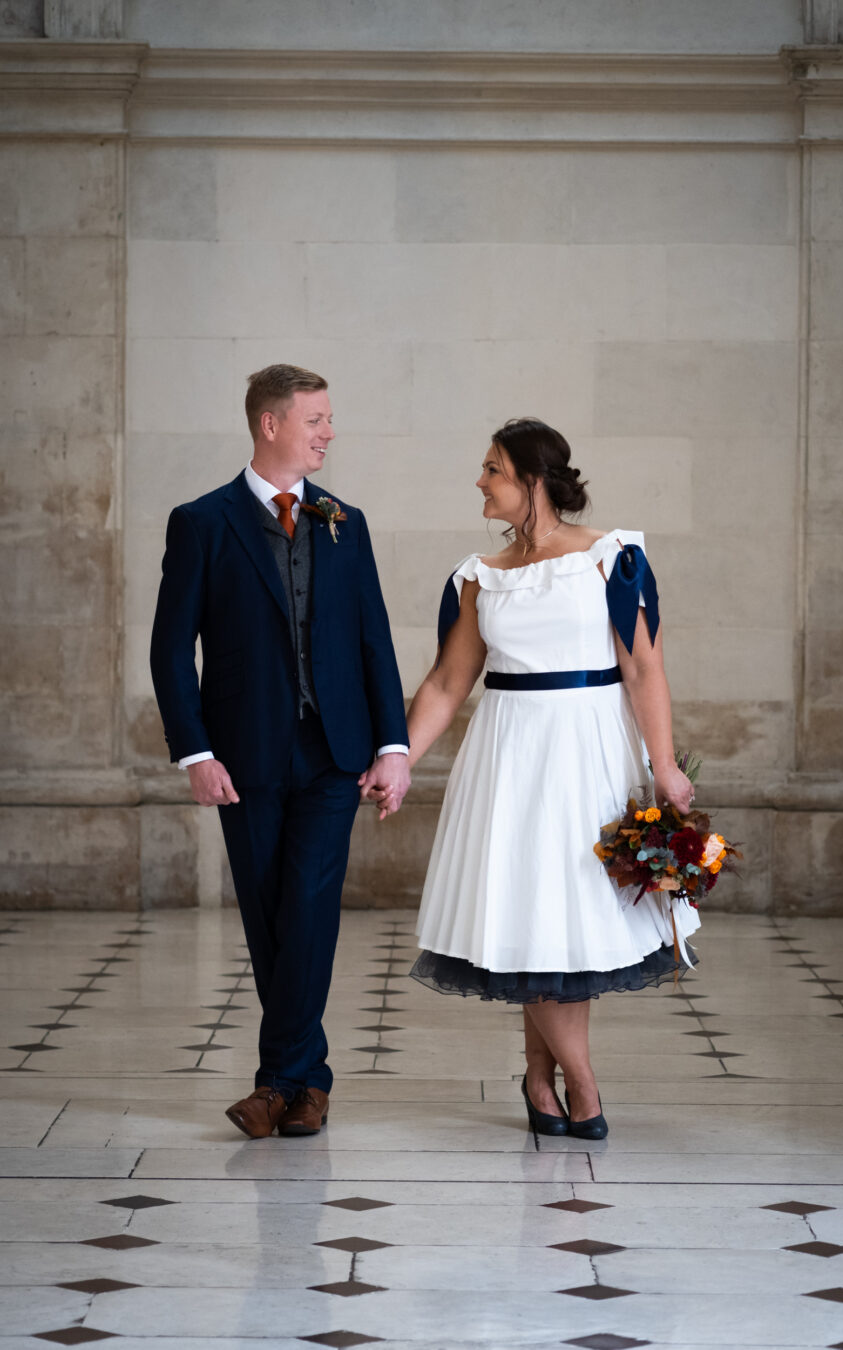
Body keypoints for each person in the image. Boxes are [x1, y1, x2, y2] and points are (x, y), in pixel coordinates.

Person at [398, 417, 699, 1140]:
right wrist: (397, 758)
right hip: (506, 757)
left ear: (534, 481)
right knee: (528, 916)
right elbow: (446, 683)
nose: (480, 480)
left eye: (492, 469)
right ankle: (576, 1085)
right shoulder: (479, 577)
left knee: (565, 924)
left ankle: (547, 1078)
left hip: (588, 752)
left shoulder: (610, 559)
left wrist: (663, 767)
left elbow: (644, 667)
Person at [150, 364, 410, 1140]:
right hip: (245, 753)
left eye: (328, 420)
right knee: (270, 916)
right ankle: (307, 1082)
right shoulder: (202, 522)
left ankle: (278, 1083)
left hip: (335, 754)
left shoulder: (344, 521)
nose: (329, 431)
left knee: (308, 908)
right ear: (271, 424)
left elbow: (374, 640)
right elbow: (170, 652)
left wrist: (392, 745)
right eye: (317, 419)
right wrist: (195, 753)